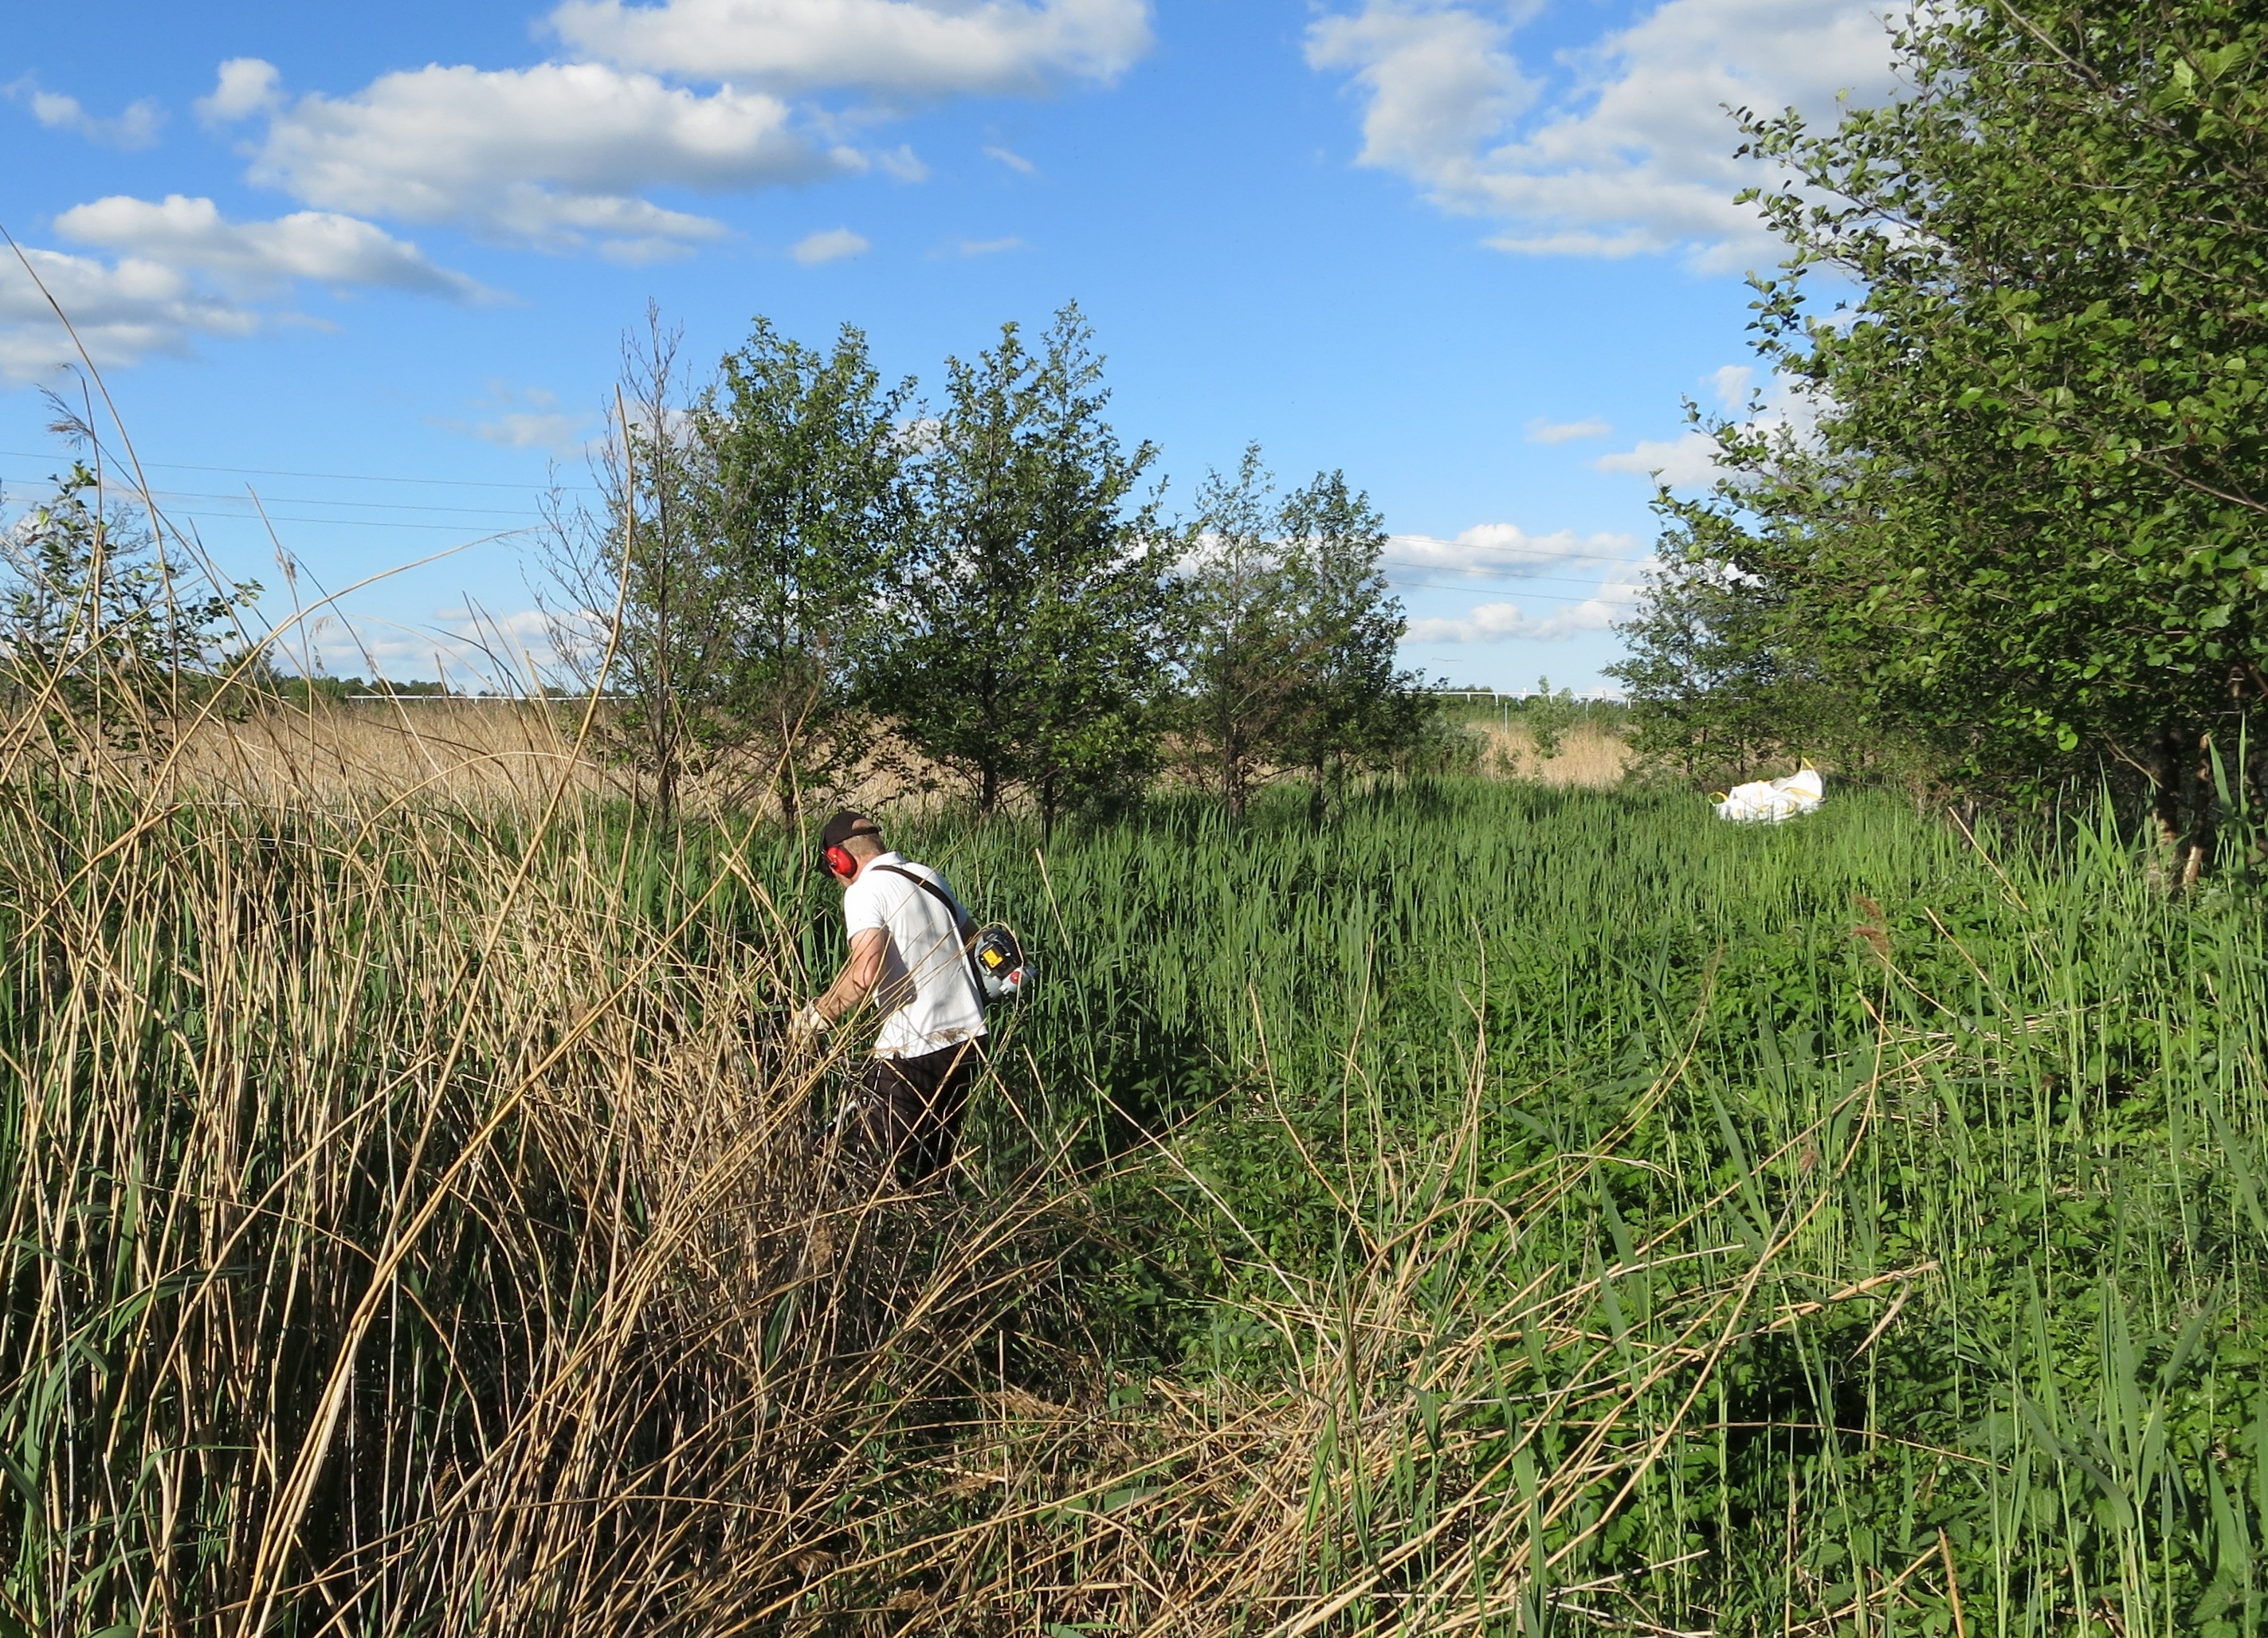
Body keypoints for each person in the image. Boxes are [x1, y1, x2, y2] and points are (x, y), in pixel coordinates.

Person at [792, 809, 987, 1185]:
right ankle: (934, 1238)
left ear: (839, 859)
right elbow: (975, 938)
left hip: (913, 1049)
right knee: (929, 1169)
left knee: (869, 1170)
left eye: (831, 870)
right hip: (967, 1041)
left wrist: (816, 1017)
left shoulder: (865, 890)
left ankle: (858, 1238)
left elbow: (866, 973)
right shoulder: (927, 876)